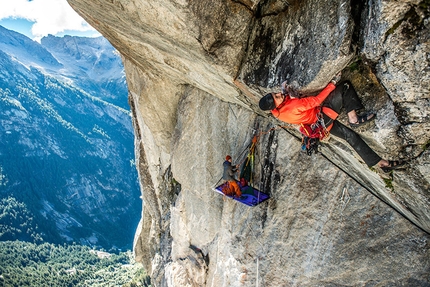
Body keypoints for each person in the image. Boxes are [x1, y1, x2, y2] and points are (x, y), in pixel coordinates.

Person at [258, 74, 404, 172]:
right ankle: (353, 119)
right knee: (344, 87)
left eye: (276, 94)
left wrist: (285, 93)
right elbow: (316, 101)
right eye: (277, 97)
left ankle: (380, 163)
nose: (279, 94)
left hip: (320, 125)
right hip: (323, 115)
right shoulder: (294, 107)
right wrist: (332, 84)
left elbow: (284, 103)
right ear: (275, 106)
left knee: (350, 137)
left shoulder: (277, 113)